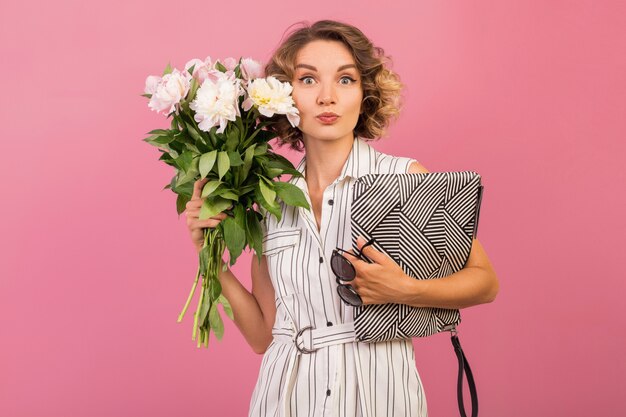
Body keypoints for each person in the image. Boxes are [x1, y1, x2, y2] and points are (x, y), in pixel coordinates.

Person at [184, 19, 499, 417]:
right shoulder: (268, 202)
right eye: (309, 80)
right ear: (286, 95)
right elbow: (263, 335)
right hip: (284, 398)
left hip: (378, 395)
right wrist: (208, 257)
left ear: (365, 94)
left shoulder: (405, 178)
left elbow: (485, 282)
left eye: (346, 80)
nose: (327, 97)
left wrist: (404, 290)